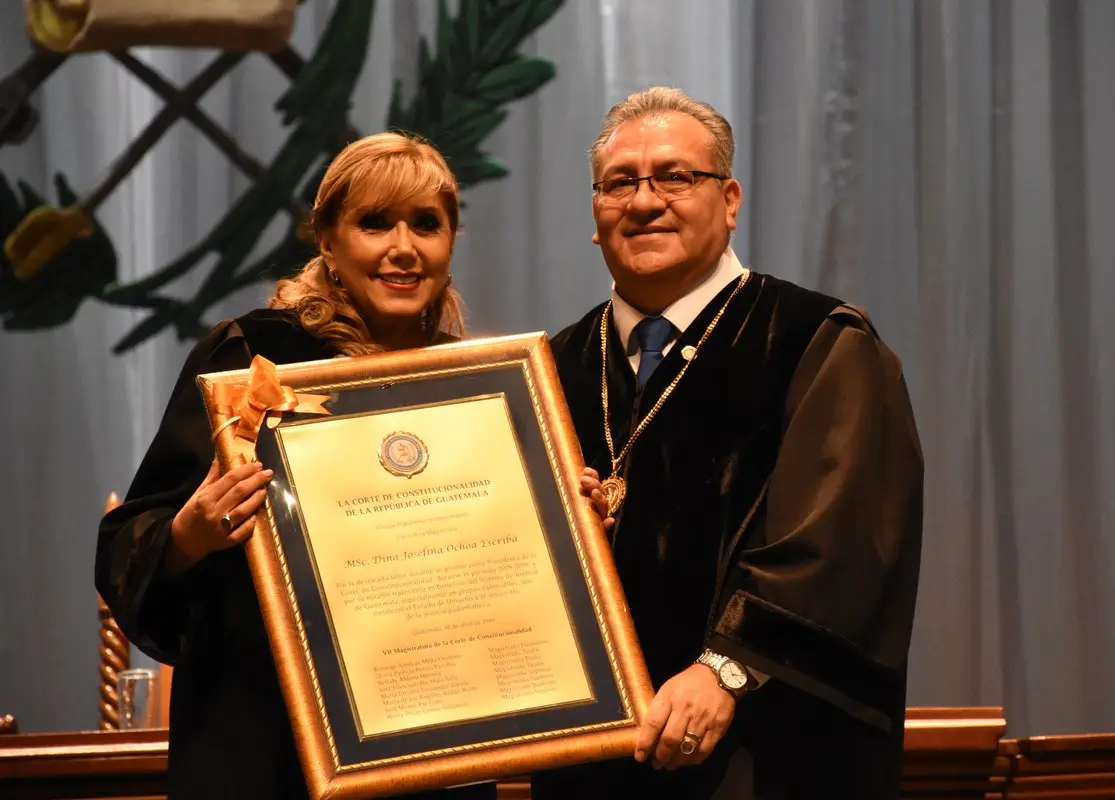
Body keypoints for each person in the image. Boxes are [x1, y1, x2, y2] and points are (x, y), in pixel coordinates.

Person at [534, 87, 924, 799]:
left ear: (730, 198)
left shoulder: (817, 342)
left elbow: (840, 548)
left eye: (676, 177)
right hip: (590, 766)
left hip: (764, 756)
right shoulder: (549, 370)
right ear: (595, 213)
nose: (645, 201)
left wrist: (728, 668)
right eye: (620, 182)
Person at [95, 132, 496, 800]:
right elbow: (126, 545)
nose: (404, 247)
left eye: (426, 224)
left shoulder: (475, 382)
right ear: (329, 243)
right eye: (375, 223)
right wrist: (191, 532)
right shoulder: (252, 360)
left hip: (428, 748)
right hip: (267, 745)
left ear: (450, 242)